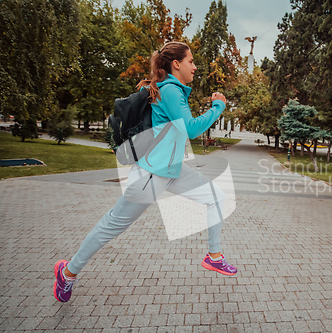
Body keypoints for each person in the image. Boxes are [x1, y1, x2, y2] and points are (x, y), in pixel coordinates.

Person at [53, 42, 237, 303]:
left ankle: (214, 257)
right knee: (112, 226)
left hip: (170, 170)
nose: (195, 67)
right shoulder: (171, 89)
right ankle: (67, 273)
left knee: (216, 196)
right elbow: (191, 129)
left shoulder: (172, 90)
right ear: (176, 64)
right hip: (151, 175)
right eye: (191, 61)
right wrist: (218, 106)